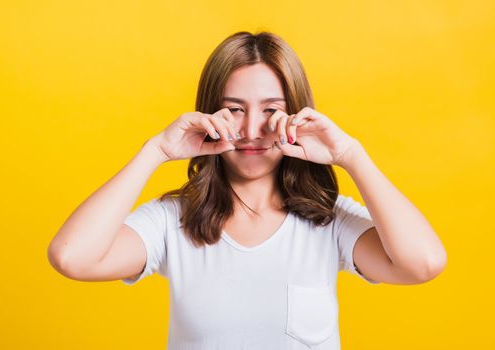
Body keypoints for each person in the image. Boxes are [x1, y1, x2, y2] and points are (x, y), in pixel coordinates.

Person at [47, 31, 447, 349]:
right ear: (209, 113)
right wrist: (155, 151)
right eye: (235, 109)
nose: (253, 128)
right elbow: (71, 257)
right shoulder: (173, 222)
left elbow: (423, 263)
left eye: (271, 109)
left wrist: (351, 154)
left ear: (295, 114)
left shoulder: (329, 222)